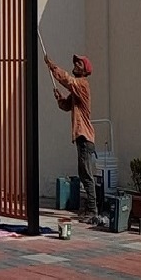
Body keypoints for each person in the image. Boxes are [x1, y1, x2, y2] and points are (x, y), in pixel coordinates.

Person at [46, 53, 98, 223]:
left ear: (85, 71)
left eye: (79, 64)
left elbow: (67, 80)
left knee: (87, 175)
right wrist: (59, 98)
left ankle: (92, 210)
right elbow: (67, 106)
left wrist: (53, 67)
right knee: (84, 174)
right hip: (82, 138)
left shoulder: (82, 84)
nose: (75, 65)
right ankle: (89, 209)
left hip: (85, 137)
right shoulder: (77, 90)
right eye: (75, 63)